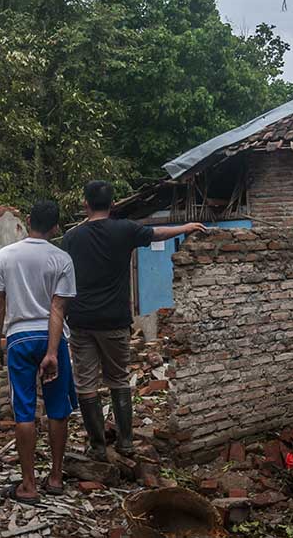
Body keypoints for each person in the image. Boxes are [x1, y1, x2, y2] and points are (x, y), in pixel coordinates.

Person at [62, 180, 206, 459]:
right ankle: (126, 443)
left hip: (80, 320)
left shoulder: (71, 238)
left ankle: (97, 446)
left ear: (85, 204)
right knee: (118, 378)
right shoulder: (125, 230)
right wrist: (186, 227)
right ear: (113, 204)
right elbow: (157, 233)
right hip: (115, 320)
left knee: (86, 383)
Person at [0, 199, 77, 503]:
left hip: (19, 339)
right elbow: (58, 306)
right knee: (57, 409)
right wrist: (52, 351)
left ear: (28, 220)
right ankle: (55, 477)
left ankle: (28, 484)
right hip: (53, 338)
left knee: (24, 411)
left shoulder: (4, 256)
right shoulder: (62, 258)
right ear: (55, 227)